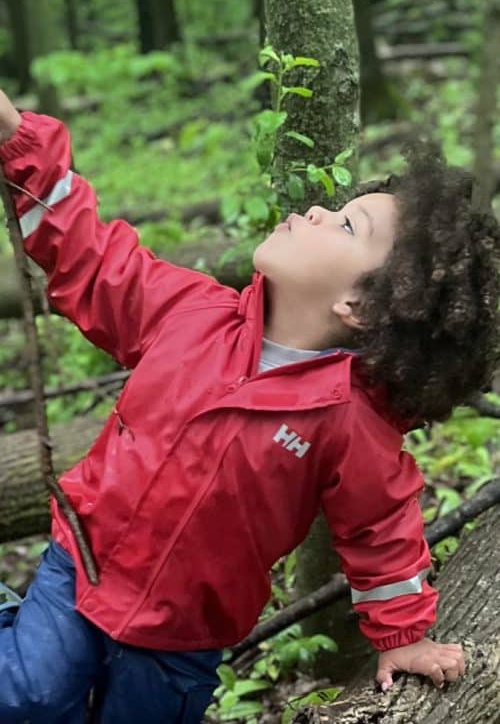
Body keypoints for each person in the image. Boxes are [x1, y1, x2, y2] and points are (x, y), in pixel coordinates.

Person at [0, 89, 497, 724]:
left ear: (360, 305)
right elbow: (94, 261)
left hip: (183, 633)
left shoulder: (350, 421)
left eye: (348, 225)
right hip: (82, 567)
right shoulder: (191, 312)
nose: (316, 210)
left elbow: (382, 531)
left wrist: (403, 635)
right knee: (28, 695)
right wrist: (17, 140)